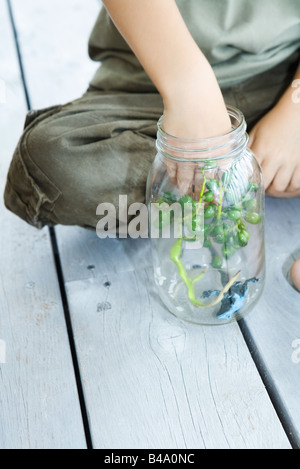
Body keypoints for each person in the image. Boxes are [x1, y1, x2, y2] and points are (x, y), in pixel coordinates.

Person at [3, 0, 300, 289]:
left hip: (286, 76)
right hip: (154, 79)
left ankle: (213, 194)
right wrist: (187, 90)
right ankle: (233, 191)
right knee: (51, 163)